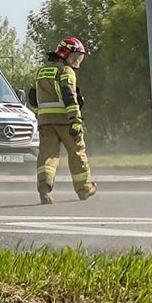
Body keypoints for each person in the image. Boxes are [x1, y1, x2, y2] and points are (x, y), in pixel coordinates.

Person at [32, 37, 96, 205]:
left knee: (47, 155)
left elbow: (33, 99)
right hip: (66, 121)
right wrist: (75, 120)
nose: (76, 62)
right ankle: (84, 188)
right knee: (77, 152)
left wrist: (42, 115)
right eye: (75, 57)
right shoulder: (66, 71)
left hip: (45, 122)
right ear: (65, 54)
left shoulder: (42, 71)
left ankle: (44, 187)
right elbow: (69, 95)